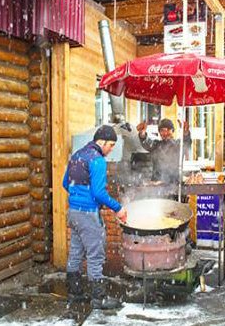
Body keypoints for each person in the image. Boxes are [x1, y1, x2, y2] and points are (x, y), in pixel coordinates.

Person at [62, 125, 127, 310]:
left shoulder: (76, 156)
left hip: (73, 212)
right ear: (102, 142)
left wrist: (78, 196)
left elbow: (66, 183)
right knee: (95, 255)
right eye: (111, 145)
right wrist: (118, 208)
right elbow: (99, 193)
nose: (111, 149)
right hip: (88, 214)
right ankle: (99, 298)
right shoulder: (97, 160)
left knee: (76, 251)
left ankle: (74, 293)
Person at [136, 118, 192, 185]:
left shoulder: (178, 145)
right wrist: (142, 133)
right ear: (159, 132)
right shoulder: (156, 145)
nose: (165, 133)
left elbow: (186, 143)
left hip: (175, 183)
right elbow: (146, 142)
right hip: (157, 184)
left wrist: (186, 132)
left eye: (168, 130)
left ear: (173, 131)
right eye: (162, 130)